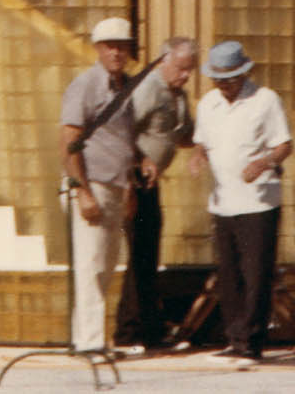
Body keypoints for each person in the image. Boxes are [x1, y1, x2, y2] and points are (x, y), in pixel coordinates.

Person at [191, 40, 293, 370]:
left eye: (230, 79)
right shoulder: (208, 104)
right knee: (229, 274)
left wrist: (263, 163)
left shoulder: (265, 100)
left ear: (244, 74)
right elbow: (201, 142)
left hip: (258, 202)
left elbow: (284, 145)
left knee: (255, 274)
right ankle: (235, 338)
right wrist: (198, 157)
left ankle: (252, 342)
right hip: (223, 202)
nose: (224, 85)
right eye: (218, 79)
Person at [60, 16, 138, 355]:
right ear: (98, 49)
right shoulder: (86, 85)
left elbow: (125, 141)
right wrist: (83, 192)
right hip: (92, 185)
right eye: (110, 46)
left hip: (116, 186)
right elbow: (69, 141)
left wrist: (129, 188)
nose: (117, 52)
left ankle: (89, 338)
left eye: (122, 46)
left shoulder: (127, 87)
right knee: (91, 265)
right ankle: (89, 342)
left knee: (104, 267)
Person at [114, 36, 198, 352]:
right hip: (133, 179)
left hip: (151, 183)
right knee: (139, 254)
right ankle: (128, 332)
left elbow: (183, 135)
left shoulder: (179, 96)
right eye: (180, 68)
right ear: (164, 61)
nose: (186, 75)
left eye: (190, 70)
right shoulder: (148, 88)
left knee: (149, 254)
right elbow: (122, 130)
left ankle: (150, 330)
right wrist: (139, 161)